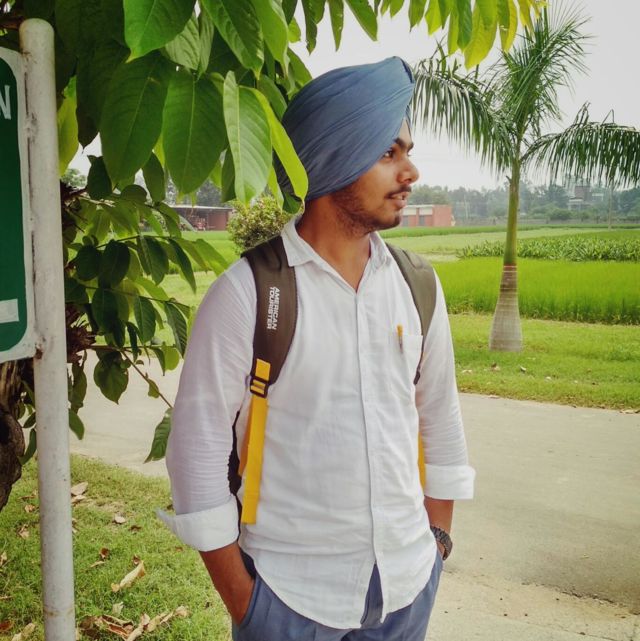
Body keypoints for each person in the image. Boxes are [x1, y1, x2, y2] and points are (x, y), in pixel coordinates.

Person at [159, 57, 475, 641]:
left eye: (407, 152)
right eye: (389, 153)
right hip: (289, 602)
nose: (411, 171)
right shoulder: (247, 294)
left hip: (407, 589)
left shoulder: (417, 285)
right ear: (334, 157)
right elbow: (196, 457)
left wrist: (436, 546)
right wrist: (249, 606)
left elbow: (441, 422)